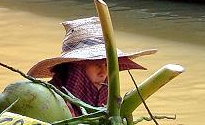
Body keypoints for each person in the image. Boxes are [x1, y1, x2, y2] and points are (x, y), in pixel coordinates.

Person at [26, 17, 157, 113]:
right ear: (77, 68)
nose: (104, 73)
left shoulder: (106, 101)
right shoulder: (46, 99)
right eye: (97, 65)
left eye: (106, 65)